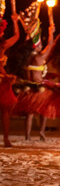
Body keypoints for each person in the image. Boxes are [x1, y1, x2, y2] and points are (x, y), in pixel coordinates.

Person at [12, 16, 55, 141]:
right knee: (43, 112)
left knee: (30, 114)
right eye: (39, 44)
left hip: (27, 90)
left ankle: (28, 135)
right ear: (35, 46)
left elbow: (27, 40)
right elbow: (51, 44)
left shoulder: (25, 57)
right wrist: (51, 32)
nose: (41, 46)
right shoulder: (39, 58)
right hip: (39, 89)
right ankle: (41, 132)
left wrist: (27, 28)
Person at [0, 12, 20, 147]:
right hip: (2, 79)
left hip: (3, 80)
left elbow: (17, 37)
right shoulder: (3, 45)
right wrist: (15, 21)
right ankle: (6, 139)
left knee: (5, 111)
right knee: (5, 111)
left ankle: (7, 139)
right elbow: (17, 36)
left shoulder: (3, 45)